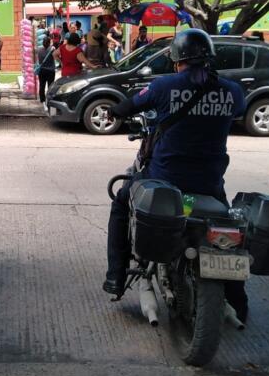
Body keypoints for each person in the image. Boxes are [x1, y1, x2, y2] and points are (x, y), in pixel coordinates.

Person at [102, 28, 249, 323]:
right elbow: (239, 111)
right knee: (226, 231)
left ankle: (115, 277)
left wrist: (116, 111)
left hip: (165, 185)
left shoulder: (163, 86)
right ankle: (238, 300)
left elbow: (129, 105)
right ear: (209, 58)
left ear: (177, 59)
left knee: (120, 201)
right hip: (207, 187)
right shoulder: (232, 90)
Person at [37, 36, 55, 104]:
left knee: (42, 85)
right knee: (50, 86)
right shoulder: (52, 49)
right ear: (49, 42)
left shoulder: (39, 50)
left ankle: (42, 99)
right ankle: (49, 99)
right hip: (50, 70)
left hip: (42, 70)